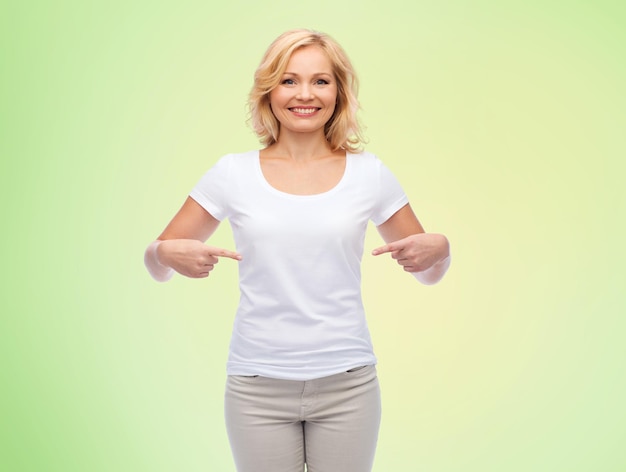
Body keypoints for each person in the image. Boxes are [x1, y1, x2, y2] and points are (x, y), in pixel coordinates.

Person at [144, 28, 450, 472]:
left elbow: (428, 271)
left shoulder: (371, 175)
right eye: (289, 80)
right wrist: (164, 256)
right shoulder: (232, 173)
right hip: (256, 388)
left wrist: (441, 249)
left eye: (320, 81)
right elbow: (158, 260)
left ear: (339, 92)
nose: (304, 94)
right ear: (268, 91)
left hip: (348, 386)